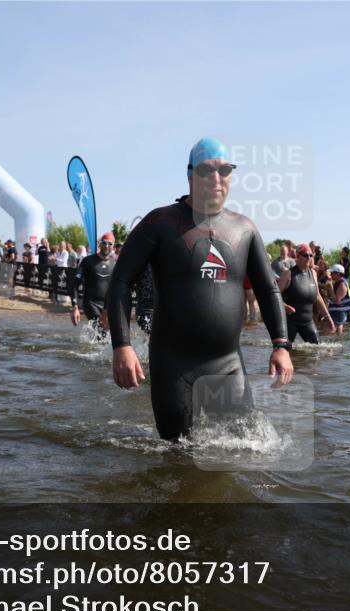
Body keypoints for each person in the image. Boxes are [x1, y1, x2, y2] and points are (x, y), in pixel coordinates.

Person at [105, 137, 292, 441]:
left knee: (243, 451)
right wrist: (122, 346)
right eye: (206, 170)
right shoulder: (160, 222)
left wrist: (281, 346)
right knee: (177, 458)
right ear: (190, 174)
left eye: (224, 170)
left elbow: (268, 290)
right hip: (174, 364)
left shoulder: (244, 228)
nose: (216, 179)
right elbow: (121, 282)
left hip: (228, 363)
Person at [278, 243, 333, 344]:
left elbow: (317, 297)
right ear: (298, 256)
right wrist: (284, 306)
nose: (309, 258)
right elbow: (275, 295)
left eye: (311, 255)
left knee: (317, 350)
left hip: (307, 322)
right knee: (284, 350)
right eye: (305, 255)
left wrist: (328, 317)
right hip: (290, 322)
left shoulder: (313, 273)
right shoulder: (288, 273)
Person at [71, 231, 117, 334]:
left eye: (110, 244)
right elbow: (75, 285)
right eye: (104, 243)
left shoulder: (116, 263)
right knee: (101, 332)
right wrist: (75, 307)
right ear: (100, 244)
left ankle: (88, 345)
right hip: (91, 303)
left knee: (109, 335)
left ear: (113, 246)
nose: (106, 246)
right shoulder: (88, 261)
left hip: (108, 305)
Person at [327, 264, 350, 335]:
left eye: (332, 273)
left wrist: (330, 289)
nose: (331, 275)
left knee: (336, 329)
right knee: (333, 330)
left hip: (340, 311)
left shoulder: (342, 284)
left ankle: (339, 341)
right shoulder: (337, 282)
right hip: (337, 311)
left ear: (338, 274)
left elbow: (337, 301)